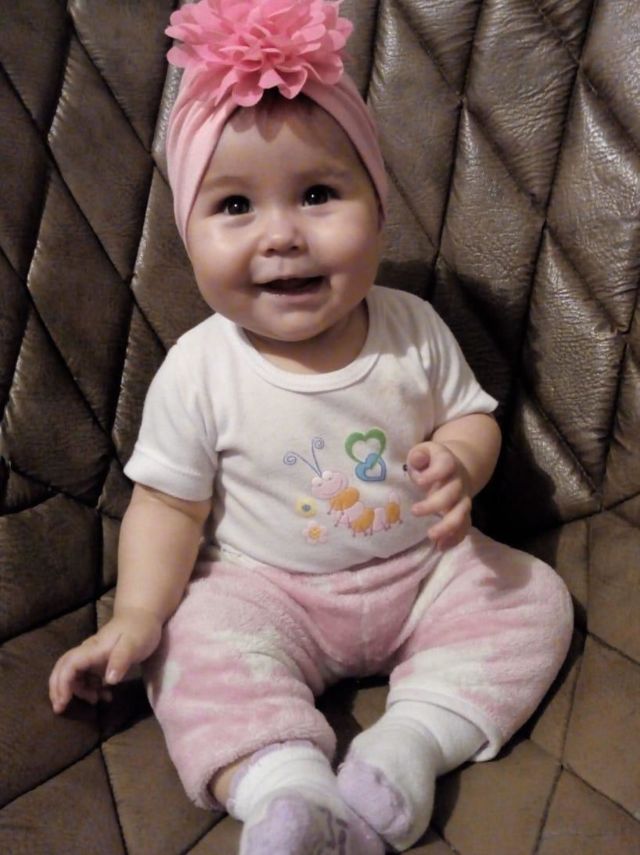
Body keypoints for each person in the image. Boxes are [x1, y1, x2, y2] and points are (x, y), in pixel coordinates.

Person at [49, 2, 573, 852]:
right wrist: (137, 616)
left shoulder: (412, 328)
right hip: (269, 590)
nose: (283, 235)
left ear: (379, 208)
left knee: (535, 599)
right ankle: (285, 788)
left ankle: (408, 746)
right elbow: (169, 506)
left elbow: (471, 418)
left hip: (424, 570)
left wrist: (462, 462)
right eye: (234, 205)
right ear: (187, 236)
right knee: (188, 646)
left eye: (319, 194)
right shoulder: (199, 368)